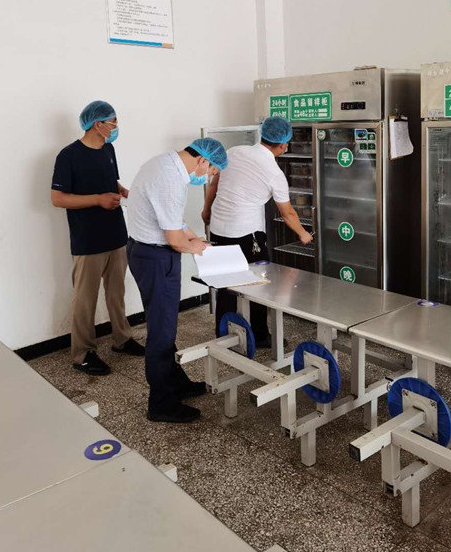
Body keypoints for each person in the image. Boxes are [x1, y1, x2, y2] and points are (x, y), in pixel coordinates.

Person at [126, 137, 228, 424]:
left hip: (145, 252)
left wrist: (195, 237)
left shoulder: (164, 164)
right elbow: (174, 240)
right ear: (203, 160)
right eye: (211, 172)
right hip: (156, 258)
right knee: (161, 331)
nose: (208, 178)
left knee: (165, 325)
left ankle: (176, 383)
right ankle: (161, 403)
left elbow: (173, 220)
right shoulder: (171, 179)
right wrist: (196, 247)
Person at [51, 100, 145, 376]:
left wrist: (124, 191)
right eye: (113, 122)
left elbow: (110, 181)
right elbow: (58, 198)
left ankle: (122, 339)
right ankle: (82, 354)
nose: (116, 127)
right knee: (85, 298)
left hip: (115, 233)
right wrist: (97, 200)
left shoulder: (108, 149)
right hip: (88, 239)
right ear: (97, 124)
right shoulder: (68, 156)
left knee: (117, 292)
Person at [202, 116, 313, 346]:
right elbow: (287, 213)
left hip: (219, 229)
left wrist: (206, 210)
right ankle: (260, 335)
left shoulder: (233, 152)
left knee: (225, 283)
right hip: (246, 235)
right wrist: (303, 233)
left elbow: (214, 184)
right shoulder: (274, 173)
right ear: (283, 145)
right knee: (258, 284)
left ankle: (224, 333)